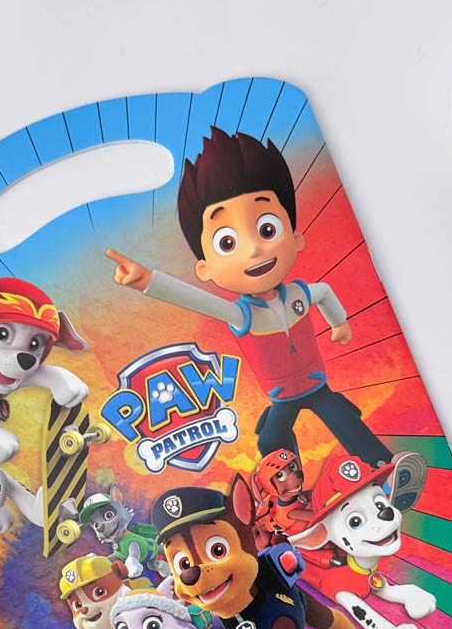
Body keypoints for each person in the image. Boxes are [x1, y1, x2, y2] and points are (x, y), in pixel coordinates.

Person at [106, 126, 392, 467]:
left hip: (317, 384)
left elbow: (325, 292)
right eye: (227, 243)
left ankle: (383, 465)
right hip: (282, 397)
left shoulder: (300, 294)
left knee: (344, 418)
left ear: (296, 238)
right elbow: (196, 300)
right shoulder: (243, 316)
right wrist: (148, 281)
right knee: (271, 439)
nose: (254, 249)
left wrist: (339, 324)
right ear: (205, 268)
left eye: (267, 230)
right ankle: (286, 486)